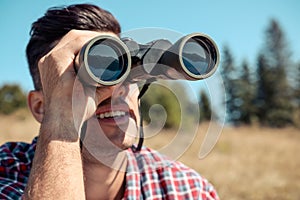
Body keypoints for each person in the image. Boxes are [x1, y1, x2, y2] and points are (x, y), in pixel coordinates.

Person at [0, 3, 219, 199]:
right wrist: (62, 125)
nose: (118, 89)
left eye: (126, 72)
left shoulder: (186, 189)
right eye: (95, 73)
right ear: (41, 107)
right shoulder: (8, 172)